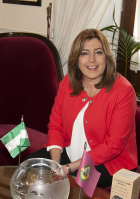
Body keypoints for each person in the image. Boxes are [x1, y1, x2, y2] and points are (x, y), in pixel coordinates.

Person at [28, 28, 137, 188]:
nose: (92, 60)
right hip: (70, 154)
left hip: (109, 163)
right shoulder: (68, 83)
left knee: (74, 185)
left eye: (98, 52)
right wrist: (55, 164)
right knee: (29, 168)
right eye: (85, 53)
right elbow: (56, 125)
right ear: (77, 60)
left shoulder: (123, 91)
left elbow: (113, 147)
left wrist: (67, 168)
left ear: (106, 57)